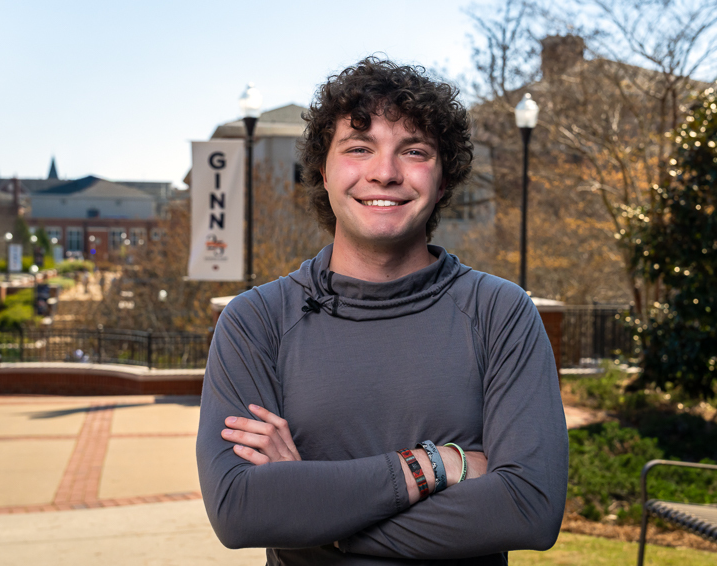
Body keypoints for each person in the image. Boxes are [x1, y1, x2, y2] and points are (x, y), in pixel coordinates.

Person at [196, 58, 568, 565]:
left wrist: (317, 518)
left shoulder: (499, 313)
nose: (385, 173)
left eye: (413, 151)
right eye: (358, 148)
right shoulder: (256, 321)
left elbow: (528, 508)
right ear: (323, 172)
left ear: (443, 180)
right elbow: (240, 510)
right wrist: (435, 466)